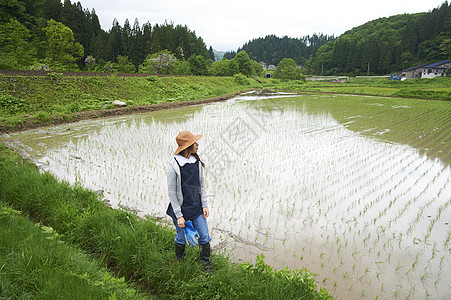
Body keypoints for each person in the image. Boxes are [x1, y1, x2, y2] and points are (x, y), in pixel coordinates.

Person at [166, 130, 213, 274]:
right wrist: (179, 215)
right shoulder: (174, 164)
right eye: (194, 143)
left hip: (196, 208)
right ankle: (181, 262)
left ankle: (206, 266)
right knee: (181, 237)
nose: (197, 145)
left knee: (204, 236)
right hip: (181, 209)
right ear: (187, 146)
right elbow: (172, 192)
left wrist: (204, 204)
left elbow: (202, 184)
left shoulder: (196, 161)